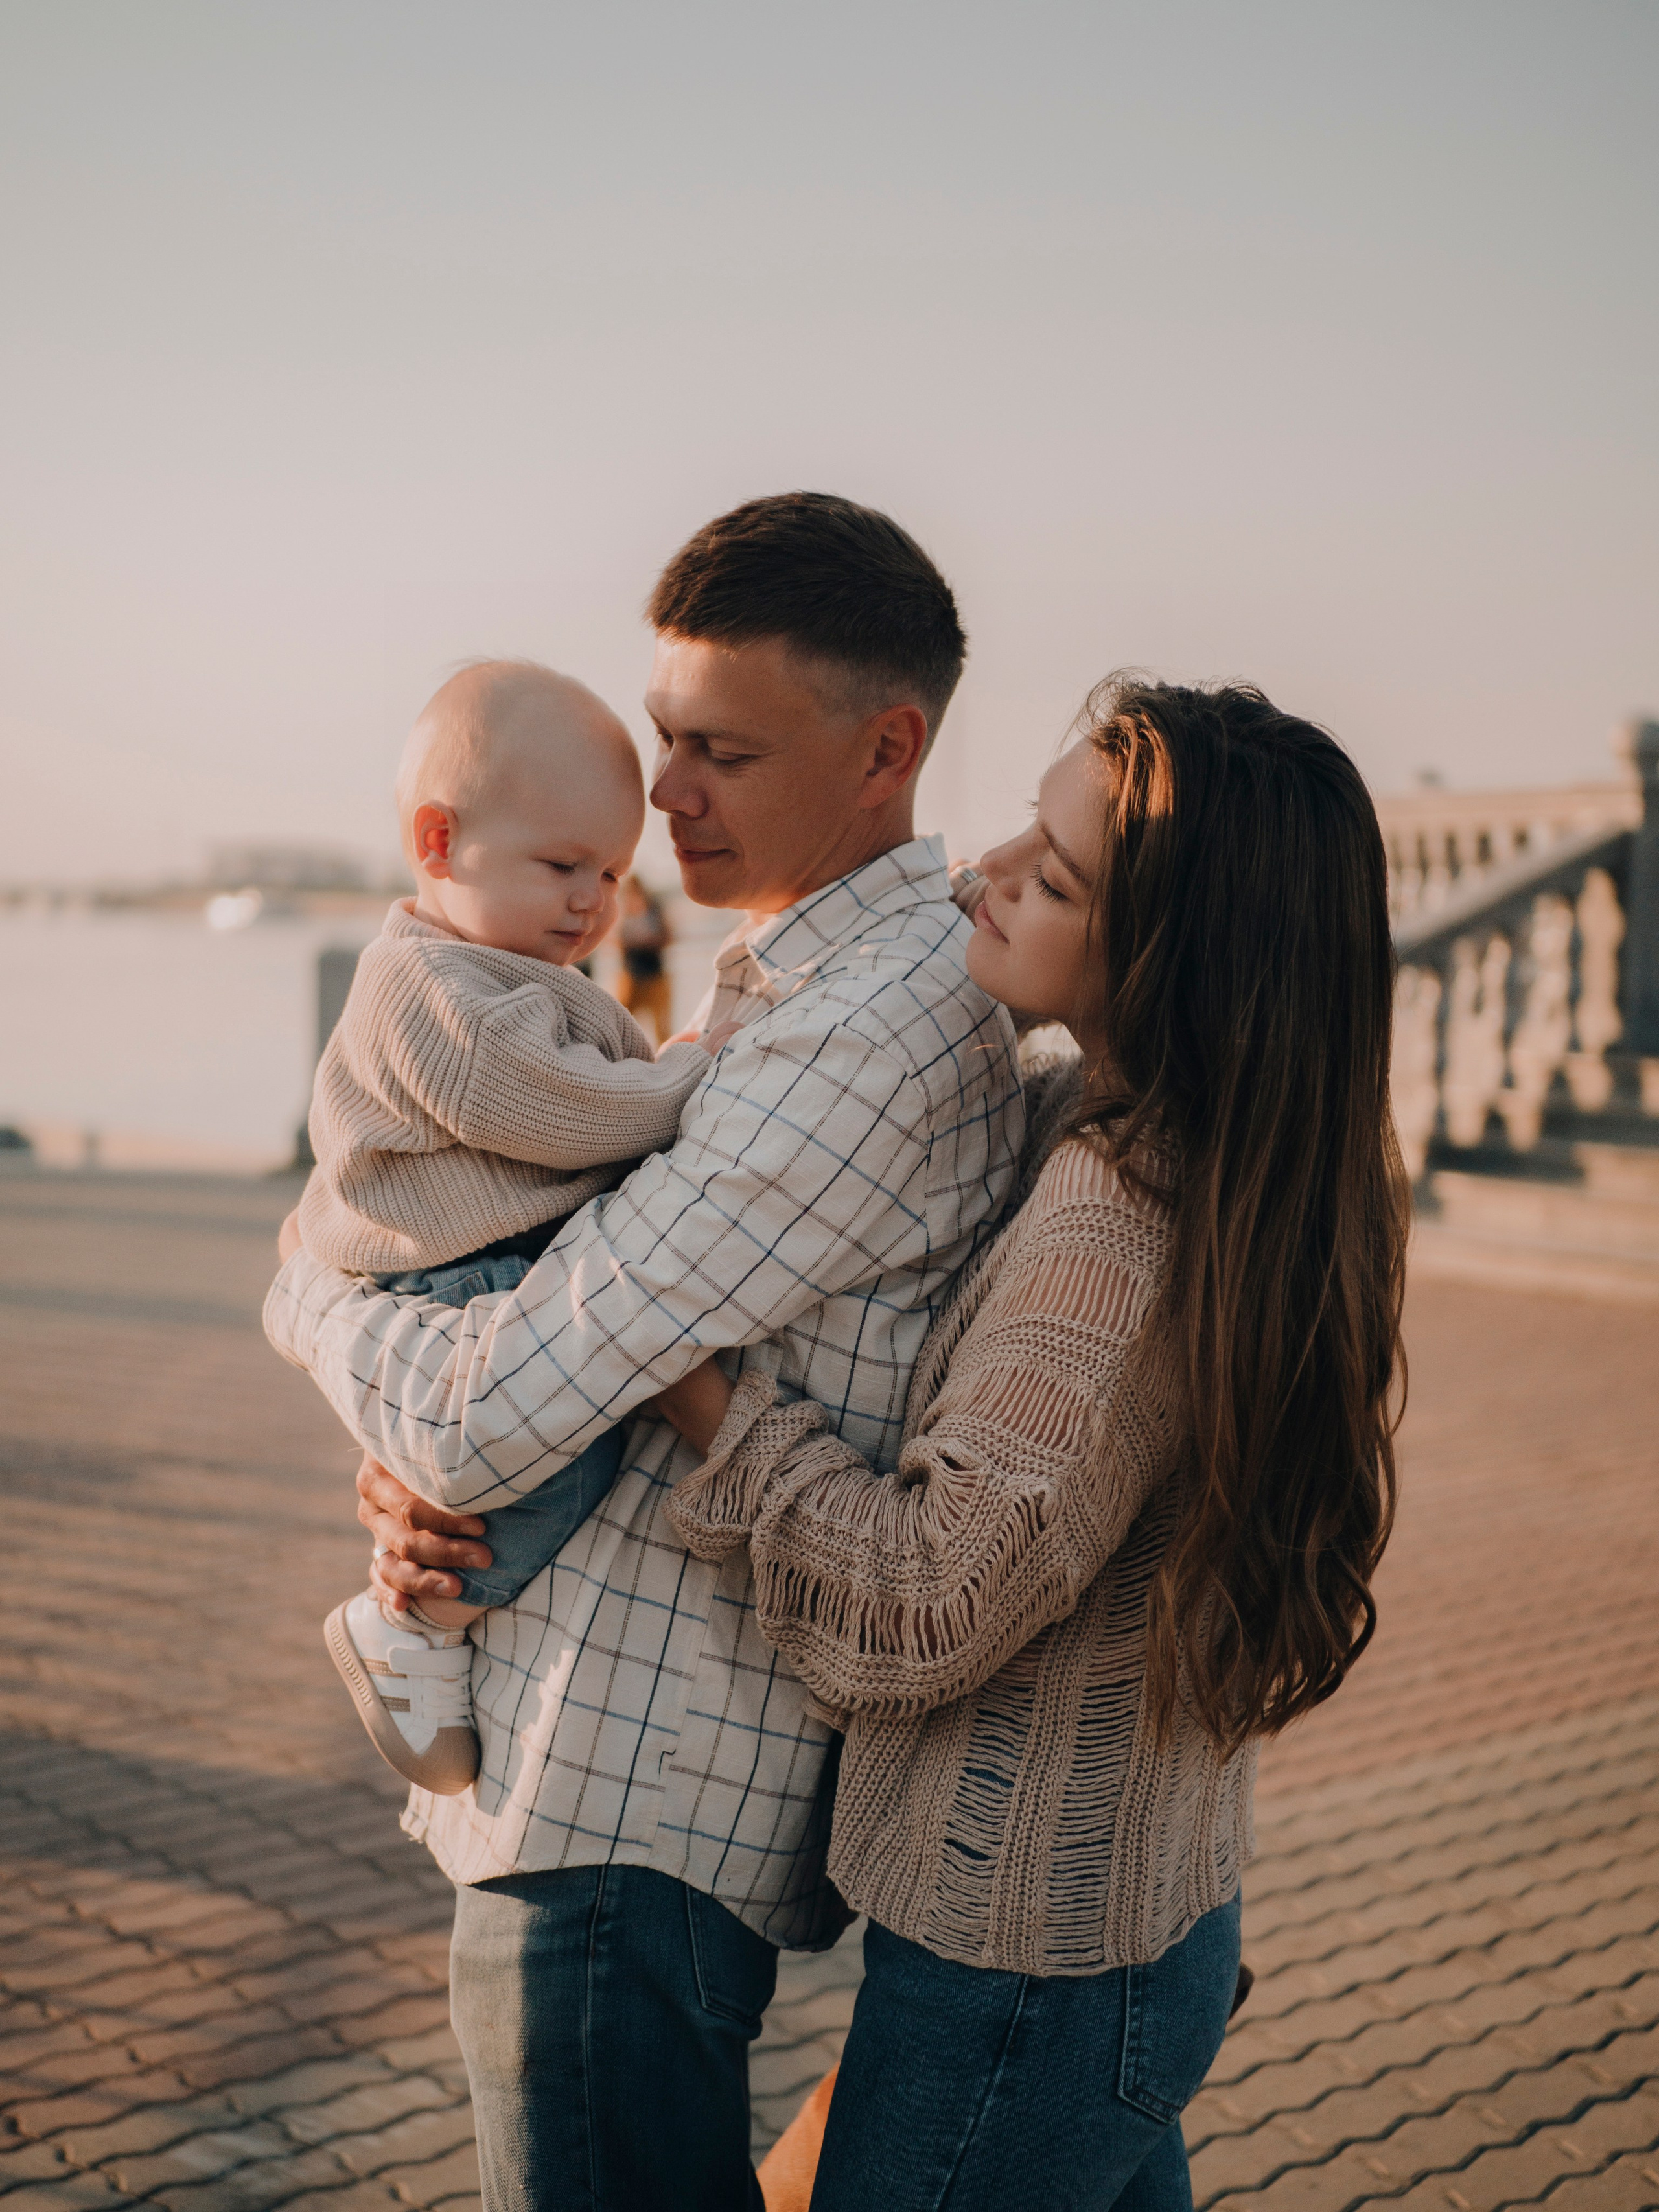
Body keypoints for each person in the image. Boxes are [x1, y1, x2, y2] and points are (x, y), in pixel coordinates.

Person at [262, 493, 1026, 2212]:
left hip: (634, 1806)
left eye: (721, 749)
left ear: (886, 746)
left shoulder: (873, 1028)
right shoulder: (781, 981)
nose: (662, 789)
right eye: (666, 731)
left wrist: (307, 1298)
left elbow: (495, 1405)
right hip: (594, 1784)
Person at [652, 677, 1411, 2211]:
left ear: (1176, 967)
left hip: (1020, 1982)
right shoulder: (1244, 1169)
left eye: (1052, 878)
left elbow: (923, 1598)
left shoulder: (1110, 1226)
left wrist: (700, 1399)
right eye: (1025, 826)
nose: (977, 869)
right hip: (1132, 1932)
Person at [286, 661, 737, 1796]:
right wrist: (693, 1087)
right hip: (451, 1276)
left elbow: (586, 1072)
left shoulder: (506, 966)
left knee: (544, 1464)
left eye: (611, 871)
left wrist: (660, 1064)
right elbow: (543, 1102)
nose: (594, 900)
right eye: (559, 864)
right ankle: (419, 1626)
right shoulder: (427, 986)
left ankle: (437, 1621)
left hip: (486, 1267)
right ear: (439, 842)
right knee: (543, 1476)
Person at [616, 872, 675, 1042]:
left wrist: (649, 941)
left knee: (662, 1029)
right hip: (631, 976)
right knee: (622, 1026)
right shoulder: (623, 911)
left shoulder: (654, 911)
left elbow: (669, 936)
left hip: (655, 975)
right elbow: (614, 942)